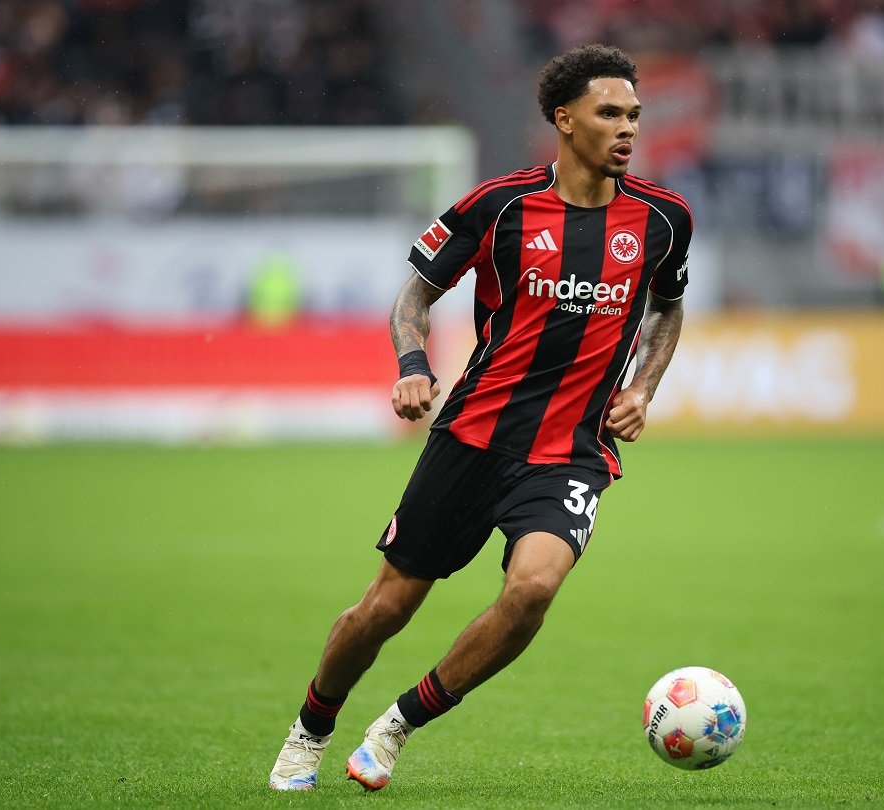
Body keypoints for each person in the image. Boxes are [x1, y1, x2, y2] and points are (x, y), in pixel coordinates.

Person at [268, 43, 693, 792]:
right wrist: (411, 368)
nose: (627, 128)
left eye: (633, 114)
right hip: (472, 434)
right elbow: (413, 296)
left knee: (531, 590)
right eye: (608, 113)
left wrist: (644, 387)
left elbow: (667, 306)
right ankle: (310, 728)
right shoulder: (497, 206)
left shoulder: (663, 219)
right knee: (385, 607)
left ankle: (398, 723)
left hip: (570, 450)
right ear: (564, 120)